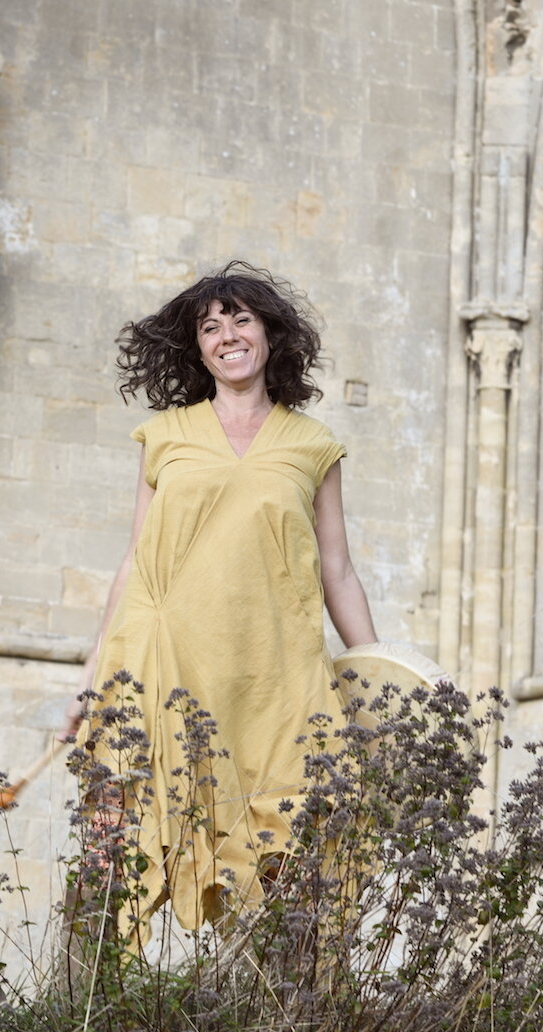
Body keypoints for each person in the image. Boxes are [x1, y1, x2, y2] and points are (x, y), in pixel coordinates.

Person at [62, 261, 377, 941]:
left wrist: (375, 676)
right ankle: (77, 1022)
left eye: (241, 319)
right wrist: (88, 682)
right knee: (113, 850)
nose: (227, 334)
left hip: (274, 675)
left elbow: (338, 570)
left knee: (289, 864)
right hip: (161, 660)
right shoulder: (166, 437)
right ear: (196, 348)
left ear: (270, 335)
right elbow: (135, 562)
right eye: (211, 325)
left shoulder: (313, 445)